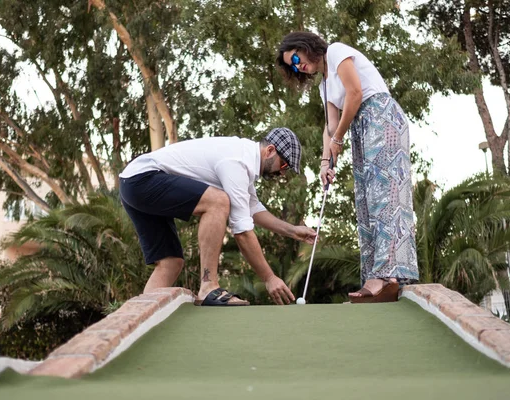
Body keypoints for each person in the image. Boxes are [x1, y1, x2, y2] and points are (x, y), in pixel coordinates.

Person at [276, 32, 419, 303]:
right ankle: (376, 276)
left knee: (384, 196)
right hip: (359, 128)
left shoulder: (337, 51)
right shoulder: (325, 86)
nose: (298, 66)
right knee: (366, 199)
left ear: (305, 47)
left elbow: (355, 93)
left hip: (381, 117)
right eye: (292, 66)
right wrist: (325, 163)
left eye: (296, 58)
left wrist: (339, 138)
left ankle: (389, 276)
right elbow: (330, 128)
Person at [119, 128, 316, 306]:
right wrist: (269, 278)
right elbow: (242, 231)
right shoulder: (237, 162)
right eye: (283, 165)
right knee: (218, 201)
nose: (282, 173)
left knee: (171, 262)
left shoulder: (244, 160)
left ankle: (141, 315)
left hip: (132, 182)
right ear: (270, 150)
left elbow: (252, 208)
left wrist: (292, 230)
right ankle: (208, 287)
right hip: (143, 178)